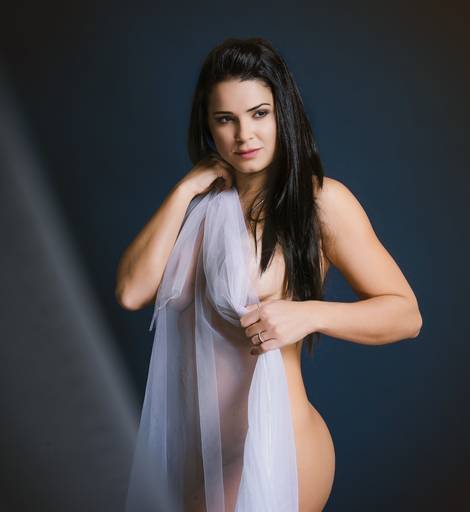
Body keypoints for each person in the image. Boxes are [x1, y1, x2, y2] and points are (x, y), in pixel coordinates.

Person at [116, 37, 423, 512]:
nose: (244, 135)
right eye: (226, 119)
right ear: (208, 125)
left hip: (278, 444)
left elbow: (406, 315)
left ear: (283, 114)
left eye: (259, 113)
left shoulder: (320, 203)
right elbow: (132, 292)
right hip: (204, 454)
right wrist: (184, 190)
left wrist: (309, 314)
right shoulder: (203, 207)